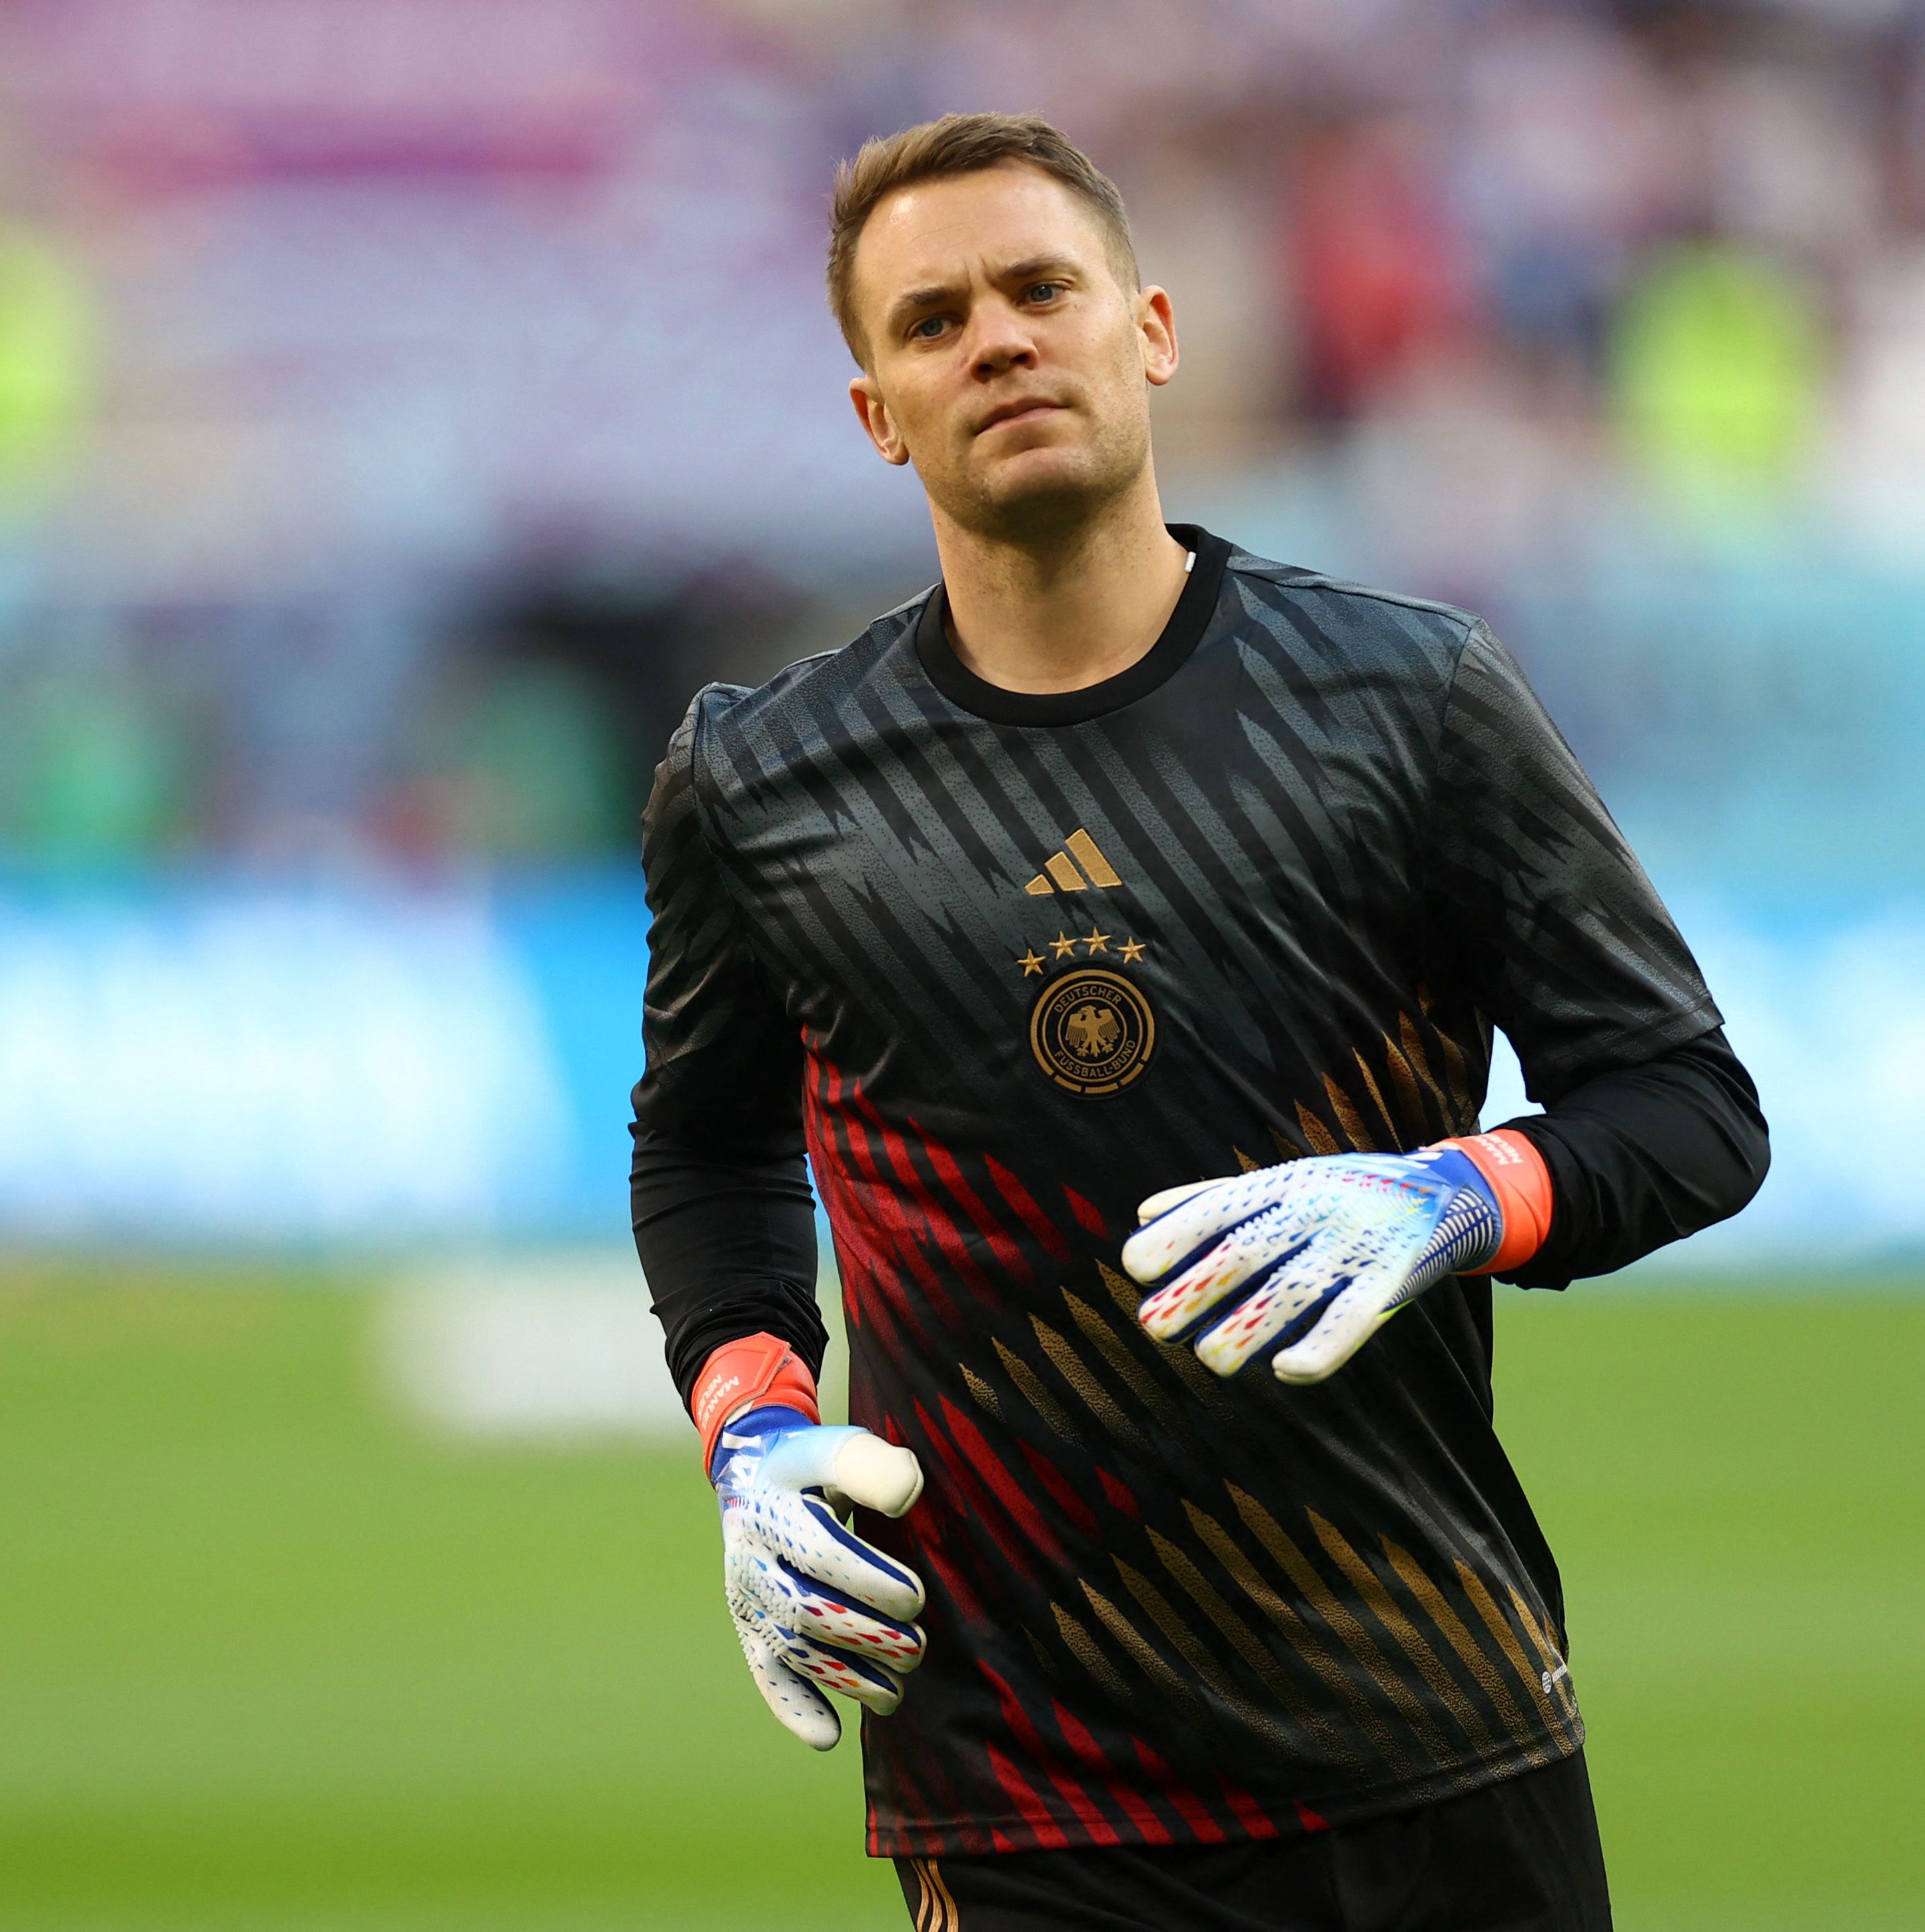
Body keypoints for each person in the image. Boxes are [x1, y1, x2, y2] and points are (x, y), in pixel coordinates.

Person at [632, 111, 1768, 1932]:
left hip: (1428, 1740)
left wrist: (1450, 1198)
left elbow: (1686, 1104)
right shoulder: (762, 779)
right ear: (876, 416)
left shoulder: (1407, 703)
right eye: (931, 322)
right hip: (1020, 1799)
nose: (996, 338)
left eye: (1038, 289)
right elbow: (703, 1138)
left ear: (1147, 329)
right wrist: (751, 1419)